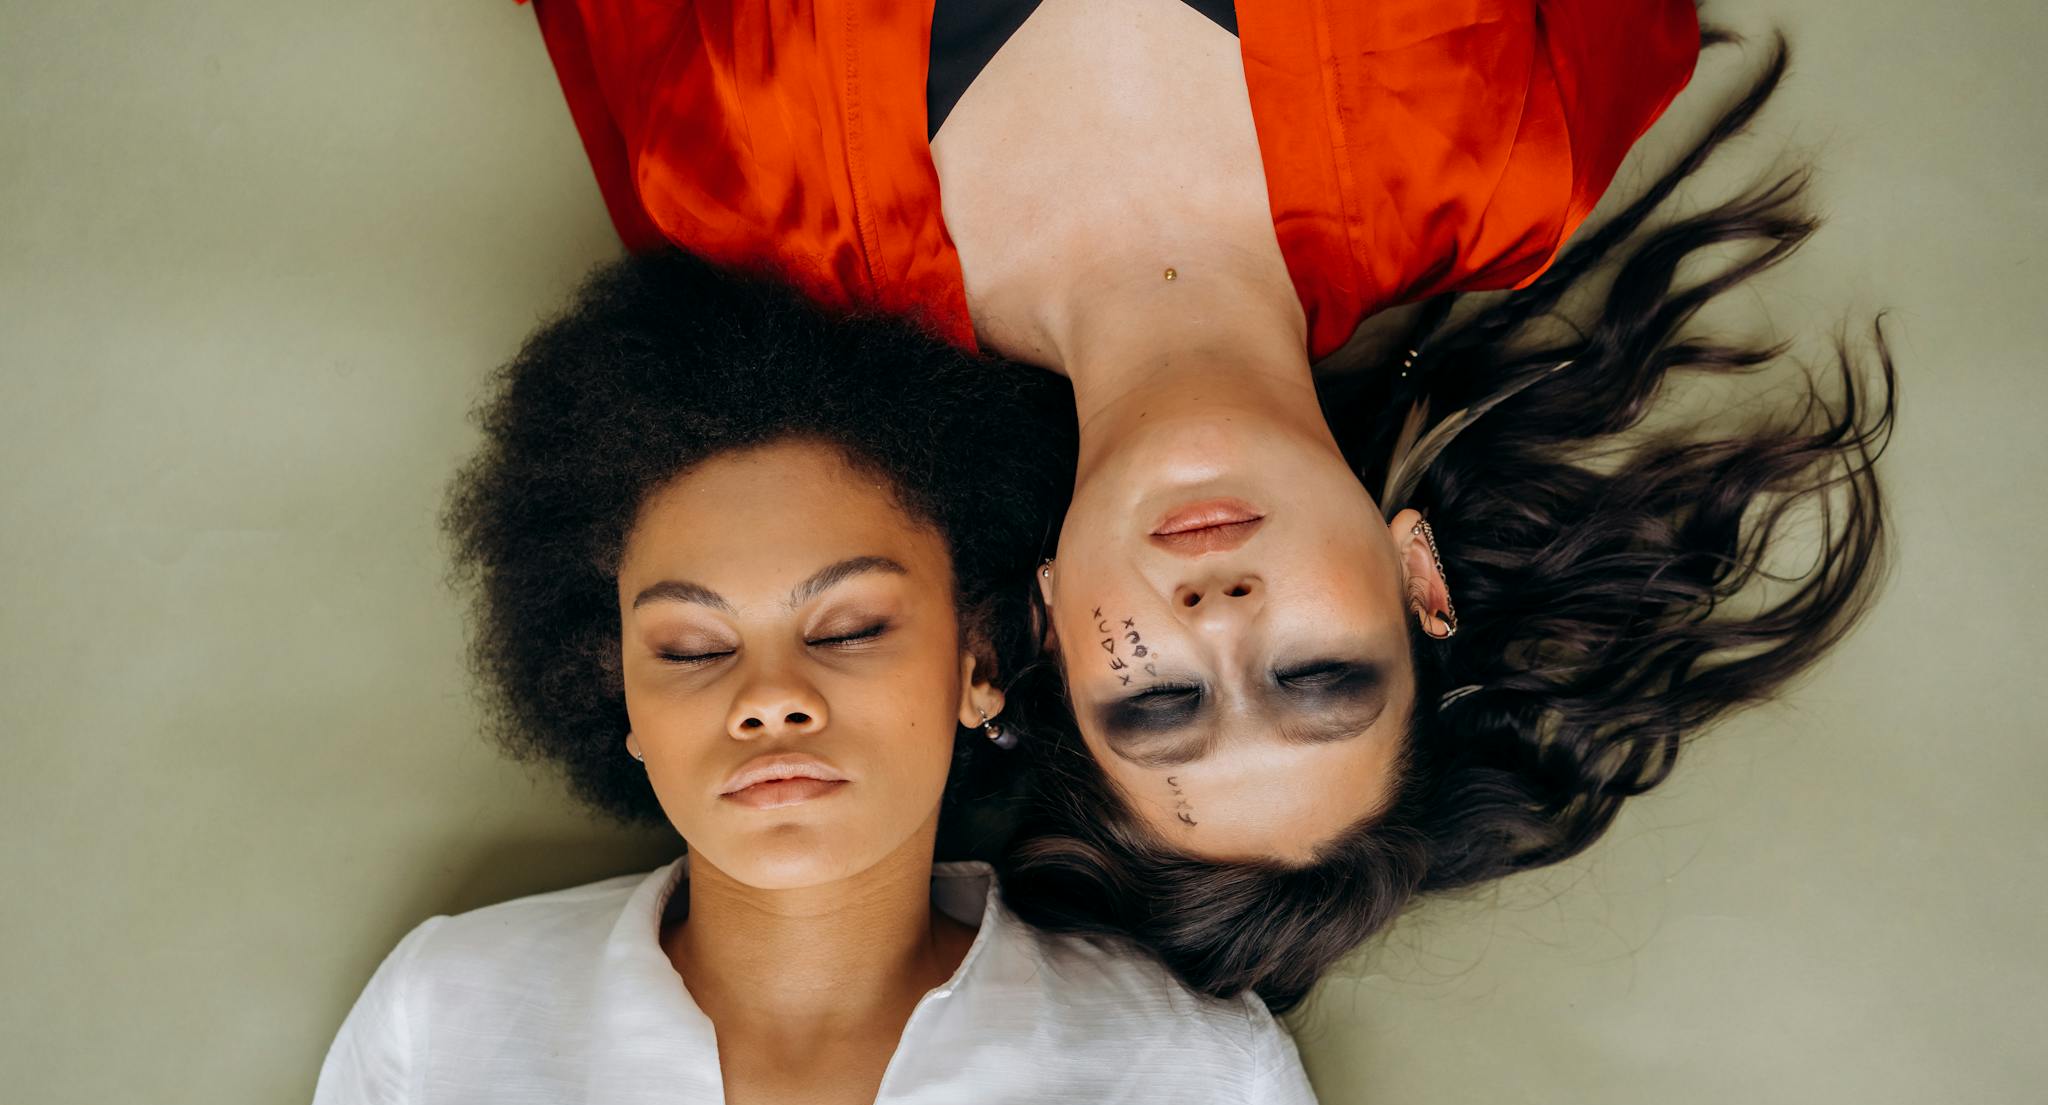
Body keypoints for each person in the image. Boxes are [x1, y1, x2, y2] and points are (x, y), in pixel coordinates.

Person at [514, 0, 1895, 1011]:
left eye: (1161, 702)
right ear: (1420, 581)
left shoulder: (744, 213)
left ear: (1043, 633)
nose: (1220, 617)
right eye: (1314, 673)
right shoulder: (1507, 153)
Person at [261, 251, 1377, 1105]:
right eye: (691, 647)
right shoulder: (443, 1021)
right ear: (621, 702)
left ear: (978, 659)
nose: (768, 702)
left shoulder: (1201, 1093)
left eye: (848, 629)